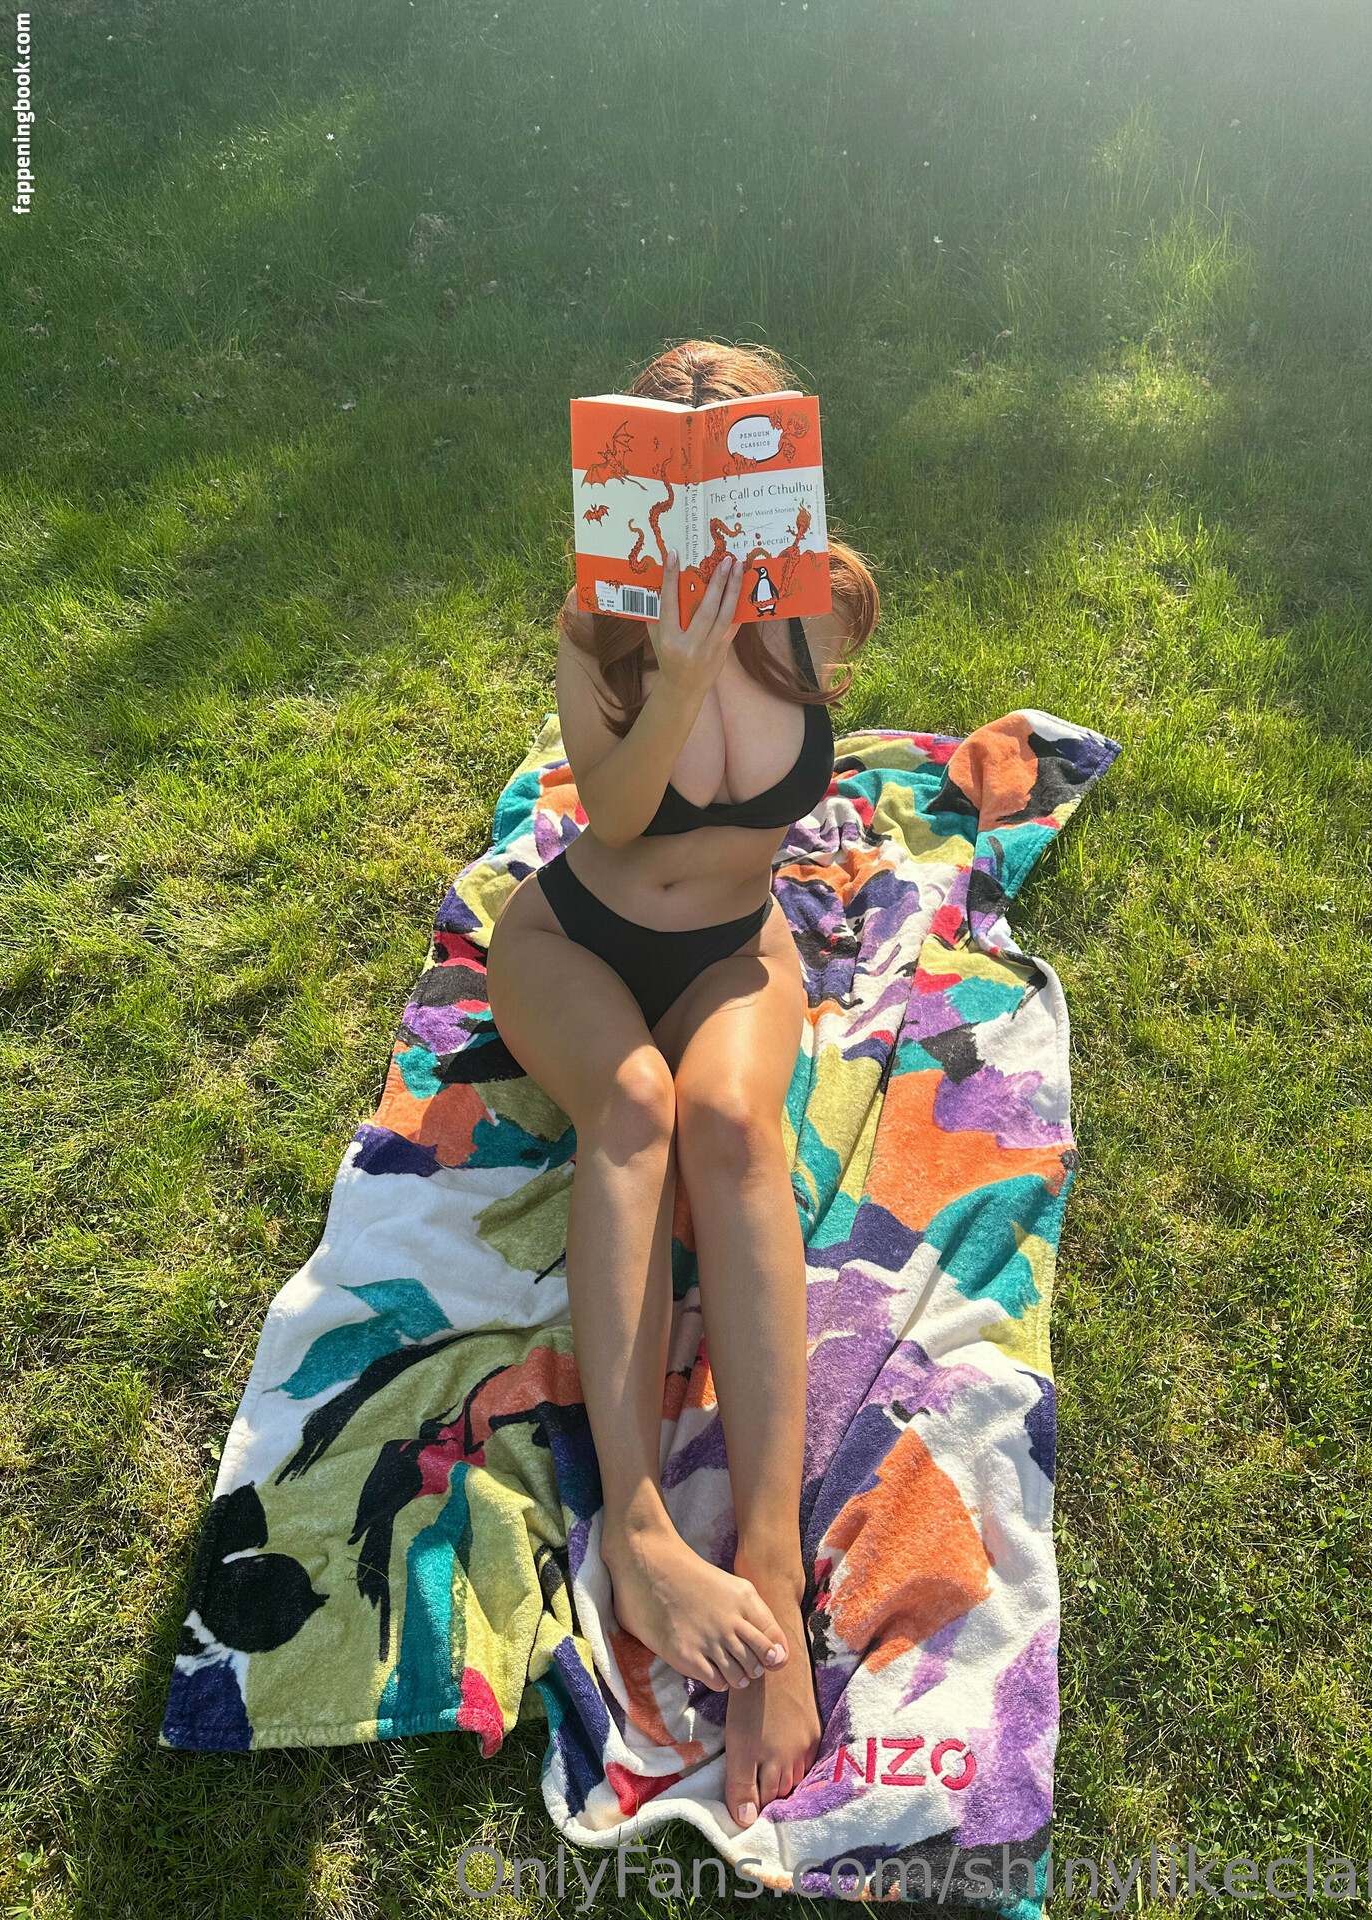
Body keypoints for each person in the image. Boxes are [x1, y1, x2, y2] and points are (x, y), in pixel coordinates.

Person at [484, 340, 879, 1829]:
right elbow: (615, 812)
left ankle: (770, 1568)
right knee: (636, 1106)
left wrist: (759, 647)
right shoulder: (599, 627)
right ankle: (641, 1532)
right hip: (574, 938)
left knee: (728, 1121)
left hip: (732, 945)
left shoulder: (816, 606)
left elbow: (782, 779)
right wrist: (680, 676)